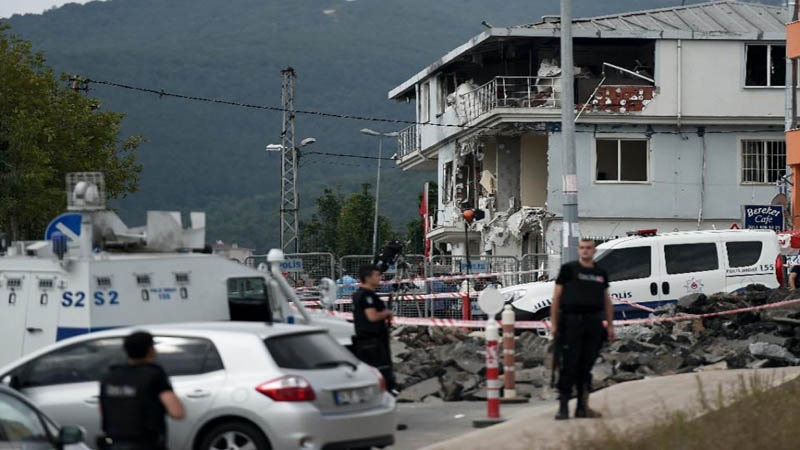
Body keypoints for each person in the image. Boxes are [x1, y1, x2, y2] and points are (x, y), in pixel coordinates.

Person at [550, 238, 615, 421]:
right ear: (578, 250)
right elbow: (556, 298)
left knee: (586, 367)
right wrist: (554, 324)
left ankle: (582, 407)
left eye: (589, 248)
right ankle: (563, 407)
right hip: (571, 323)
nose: (585, 251)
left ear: (594, 251)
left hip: (593, 323)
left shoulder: (600, 272)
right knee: (568, 365)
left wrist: (610, 325)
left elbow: (606, 300)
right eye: (582, 248)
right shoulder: (568, 270)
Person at [99, 331, 185, 450]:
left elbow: (103, 410)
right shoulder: (154, 375)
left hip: (114, 443)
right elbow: (177, 412)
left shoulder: (109, 376)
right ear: (150, 350)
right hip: (147, 443)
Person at [352, 264, 396, 394]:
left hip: (369, 339)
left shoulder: (361, 294)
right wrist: (386, 313)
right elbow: (372, 316)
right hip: (372, 340)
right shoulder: (366, 296)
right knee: (380, 369)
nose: (380, 278)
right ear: (367, 277)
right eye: (377, 275)